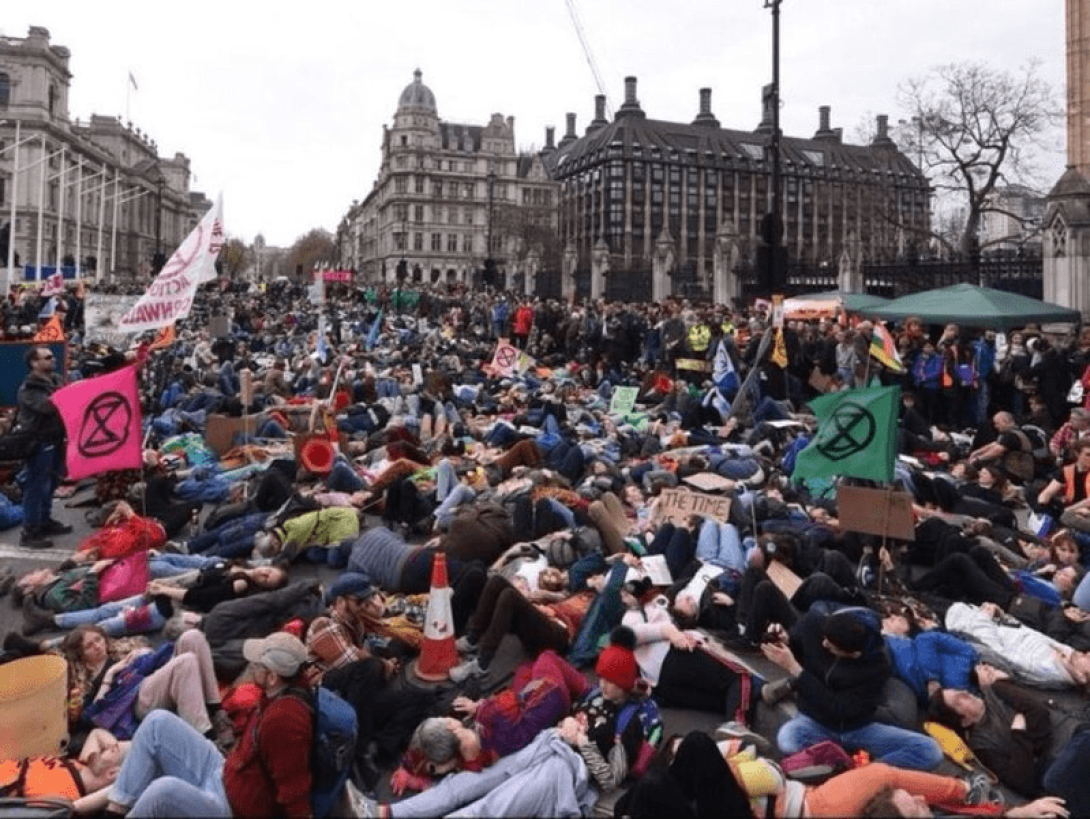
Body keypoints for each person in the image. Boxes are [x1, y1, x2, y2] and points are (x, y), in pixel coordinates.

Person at [104, 631, 313, 818]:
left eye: (258, 665)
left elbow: (293, 790)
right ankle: (114, 811)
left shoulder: (285, 720)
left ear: (273, 677)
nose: (252, 668)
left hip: (231, 807)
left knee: (163, 791)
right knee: (157, 722)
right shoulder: (274, 696)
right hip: (225, 773)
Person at [761, 608, 943, 771]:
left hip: (855, 727)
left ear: (854, 654)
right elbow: (804, 647)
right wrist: (786, 639)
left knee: (931, 751)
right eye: (825, 638)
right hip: (814, 720)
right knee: (787, 740)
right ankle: (841, 760)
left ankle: (863, 771)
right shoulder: (816, 623)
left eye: (831, 646)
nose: (824, 644)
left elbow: (839, 709)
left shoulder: (877, 667)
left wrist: (796, 671)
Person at [928, 666, 1090, 816]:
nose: (965, 693)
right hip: (1054, 769)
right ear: (963, 721)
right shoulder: (982, 745)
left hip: (1072, 737)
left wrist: (1029, 753)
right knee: (1058, 799)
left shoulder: (996, 691)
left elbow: (1038, 713)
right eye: (958, 700)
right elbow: (1024, 783)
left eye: (958, 690)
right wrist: (1018, 733)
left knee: (1056, 782)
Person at [15, 344, 70, 549]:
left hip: (56, 439)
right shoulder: (28, 388)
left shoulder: (55, 380)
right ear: (34, 363)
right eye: (46, 357)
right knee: (35, 486)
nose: (52, 359)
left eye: (51, 356)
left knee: (52, 482)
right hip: (38, 442)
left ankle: (44, 521)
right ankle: (30, 531)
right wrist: (66, 395)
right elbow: (47, 407)